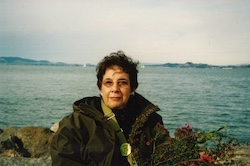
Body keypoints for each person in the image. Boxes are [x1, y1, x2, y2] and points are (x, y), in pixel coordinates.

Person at [50, 51, 170, 166]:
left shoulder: (151, 122)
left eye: (122, 82)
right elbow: (64, 160)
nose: (115, 89)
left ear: (133, 87)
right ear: (100, 88)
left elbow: (167, 158)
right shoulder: (76, 124)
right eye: (108, 83)